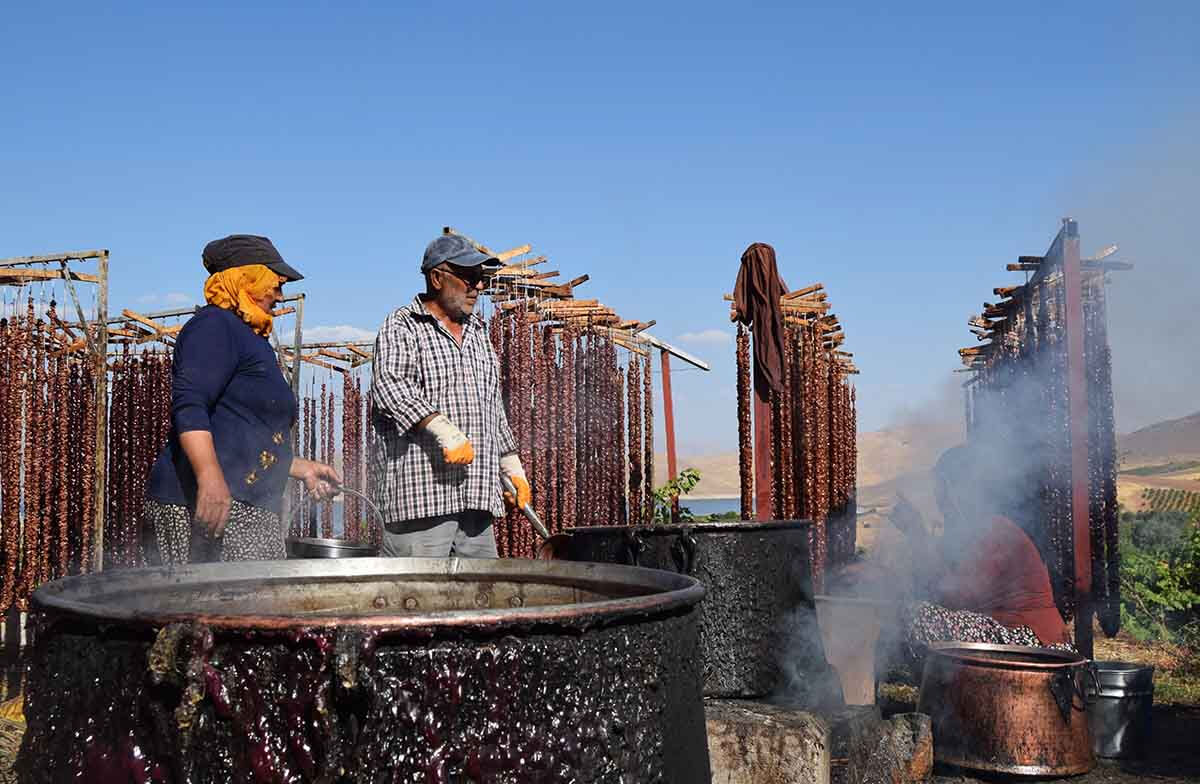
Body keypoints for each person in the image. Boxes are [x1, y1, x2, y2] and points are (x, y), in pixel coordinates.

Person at [146, 234, 341, 564]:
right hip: (207, 503)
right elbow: (190, 404)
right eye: (275, 284)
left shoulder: (250, 337)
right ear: (245, 279)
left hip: (248, 505)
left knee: (259, 609)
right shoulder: (213, 326)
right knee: (207, 610)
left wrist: (299, 468)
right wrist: (209, 477)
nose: (280, 295)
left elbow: (240, 434)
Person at [370, 234, 531, 558]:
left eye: (481, 279)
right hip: (422, 502)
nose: (478, 288)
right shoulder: (403, 326)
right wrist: (442, 429)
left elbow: (491, 406)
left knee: (481, 600)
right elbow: (390, 386)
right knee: (417, 601)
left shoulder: (478, 334)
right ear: (437, 277)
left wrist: (510, 462)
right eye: (469, 278)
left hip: (477, 502)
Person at [890, 444, 1072, 665]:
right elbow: (939, 580)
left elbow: (953, 597)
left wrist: (916, 534)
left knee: (916, 616)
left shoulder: (995, 531)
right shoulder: (972, 531)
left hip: (1031, 639)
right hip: (1007, 631)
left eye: (941, 489)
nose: (939, 500)